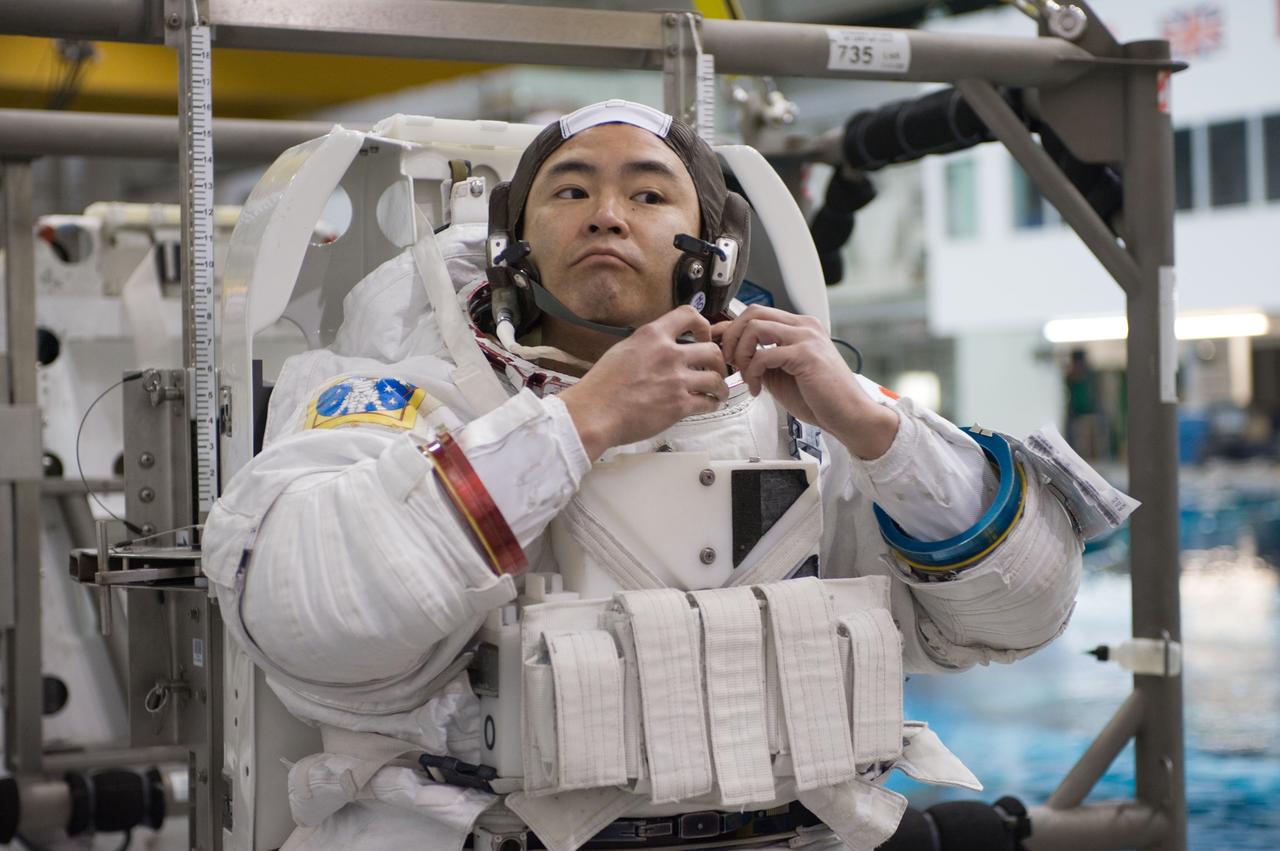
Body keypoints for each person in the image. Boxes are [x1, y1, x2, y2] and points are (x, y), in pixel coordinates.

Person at [203, 100, 1084, 851]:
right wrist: (579, 425)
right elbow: (302, 611)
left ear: (712, 247)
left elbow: (1025, 608)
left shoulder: (804, 412)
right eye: (571, 189)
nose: (606, 213)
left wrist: (876, 428)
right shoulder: (408, 397)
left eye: (649, 191)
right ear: (515, 242)